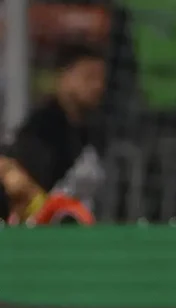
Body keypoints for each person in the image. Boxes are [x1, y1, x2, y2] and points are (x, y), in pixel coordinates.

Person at [0, 43, 107, 224]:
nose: (97, 86)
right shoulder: (41, 132)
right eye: (88, 77)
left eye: (100, 79)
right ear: (64, 77)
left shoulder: (94, 130)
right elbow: (20, 191)